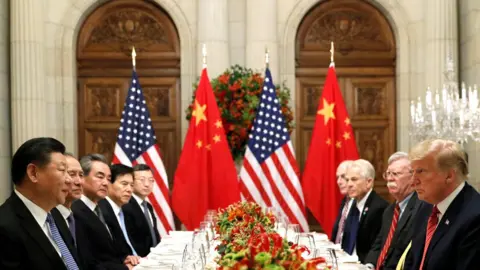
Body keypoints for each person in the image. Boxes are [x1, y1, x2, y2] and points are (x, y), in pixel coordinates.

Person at [0, 137, 80, 269]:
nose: (70, 180)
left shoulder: (55, 215)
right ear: (33, 173)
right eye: (62, 170)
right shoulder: (5, 227)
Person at [404, 139, 480, 270]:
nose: (412, 182)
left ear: (449, 176)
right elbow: (412, 261)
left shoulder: (475, 217)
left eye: (420, 171)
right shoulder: (425, 206)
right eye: (412, 172)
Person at [72, 154, 139, 270]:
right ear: (82, 177)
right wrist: (124, 268)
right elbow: (89, 262)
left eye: (108, 179)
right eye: (100, 176)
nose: (105, 183)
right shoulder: (75, 211)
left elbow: (109, 249)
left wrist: (124, 258)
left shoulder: (101, 208)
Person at [364, 152, 423, 270]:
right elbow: (378, 245)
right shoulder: (389, 211)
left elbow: (407, 254)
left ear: (412, 177)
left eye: (395, 174)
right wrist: (369, 265)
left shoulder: (421, 209)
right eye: (388, 174)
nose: (390, 178)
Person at [342, 159, 388, 263]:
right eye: (347, 180)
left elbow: (376, 249)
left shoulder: (379, 208)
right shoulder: (353, 203)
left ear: (369, 182)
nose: (349, 184)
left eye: (354, 179)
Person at [98, 164, 140, 258]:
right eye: (124, 184)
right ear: (109, 184)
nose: (129, 190)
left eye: (132, 185)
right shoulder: (101, 211)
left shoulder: (127, 210)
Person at [123, 164, 161, 257]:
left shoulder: (147, 206)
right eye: (142, 180)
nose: (147, 184)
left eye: (151, 180)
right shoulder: (126, 206)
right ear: (132, 182)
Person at [331, 160, 354, 244]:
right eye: (337, 177)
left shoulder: (359, 204)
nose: (338, 182)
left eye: (343, 177)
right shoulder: (345, 201)